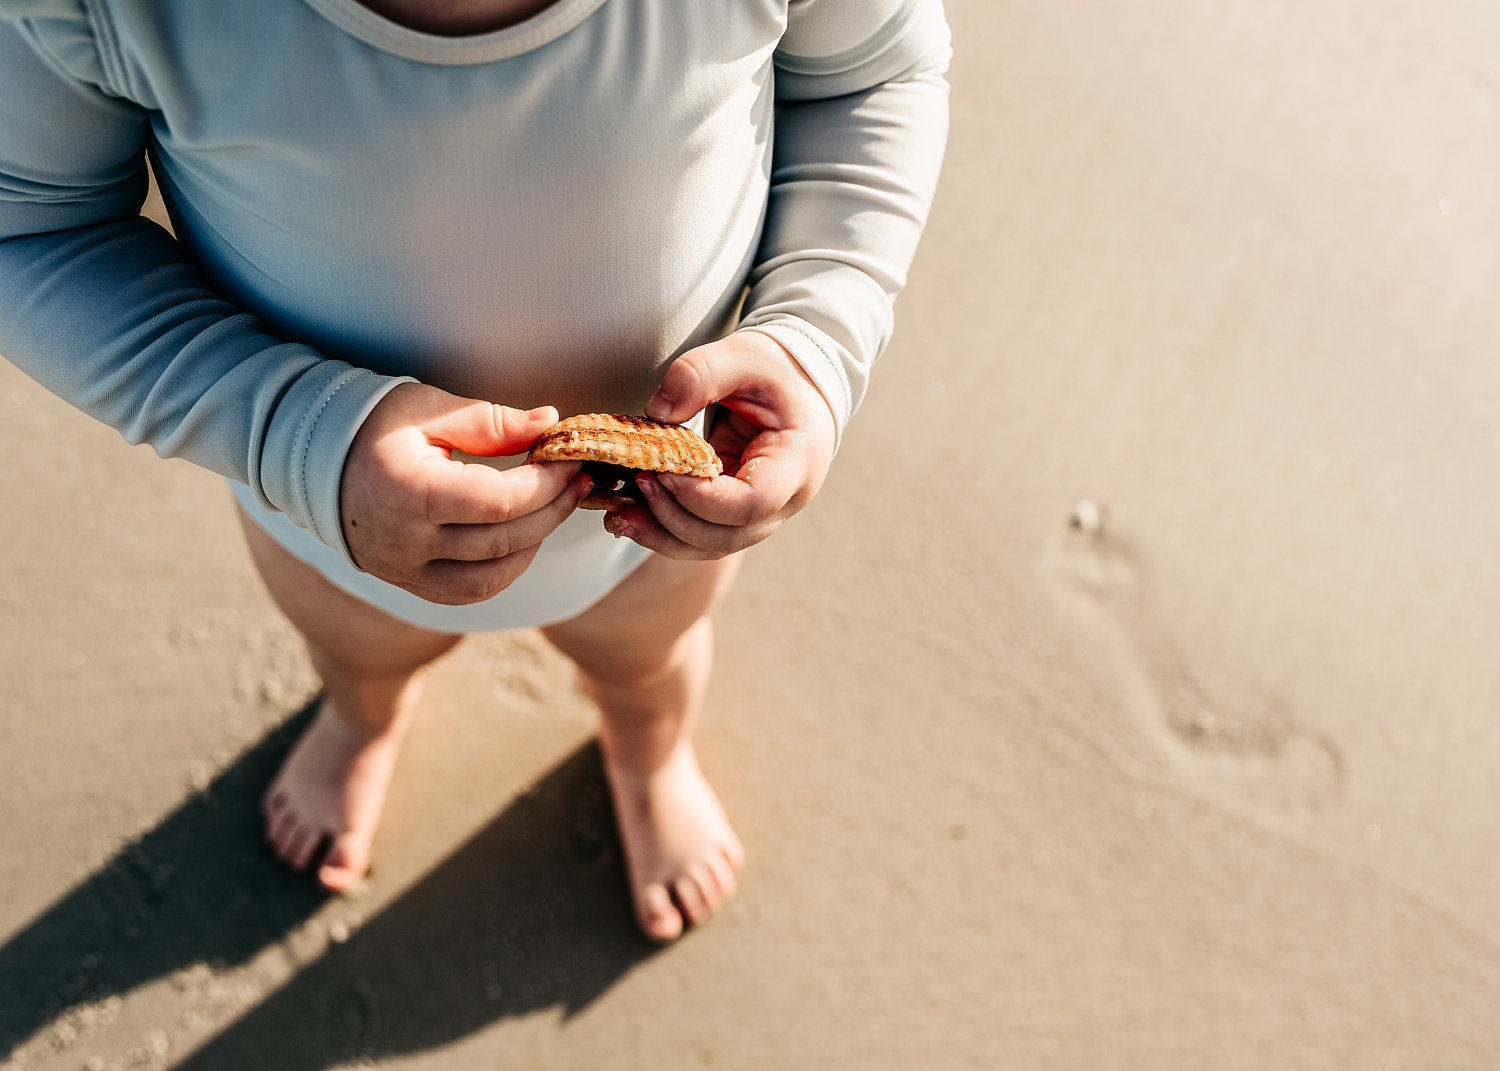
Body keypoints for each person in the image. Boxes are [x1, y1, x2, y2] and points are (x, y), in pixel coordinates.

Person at [0, 0, 950, 942]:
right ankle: (364, 717)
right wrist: (292, 430)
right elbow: (33, 225)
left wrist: (820, 335)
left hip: (657, 524)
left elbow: (873, 72)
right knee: (357, 656)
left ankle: (647, 754)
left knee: (649, 665)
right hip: (333, 523)